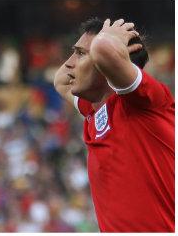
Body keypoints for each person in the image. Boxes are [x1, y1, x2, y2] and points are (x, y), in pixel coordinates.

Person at [53, 17, 174, 232]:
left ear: (106, 65)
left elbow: (102, 52)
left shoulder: (147, 103)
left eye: (80, 54)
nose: (70, 62)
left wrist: (107, 41)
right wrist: (94, 45)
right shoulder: (93, 111)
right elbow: (61, 80)